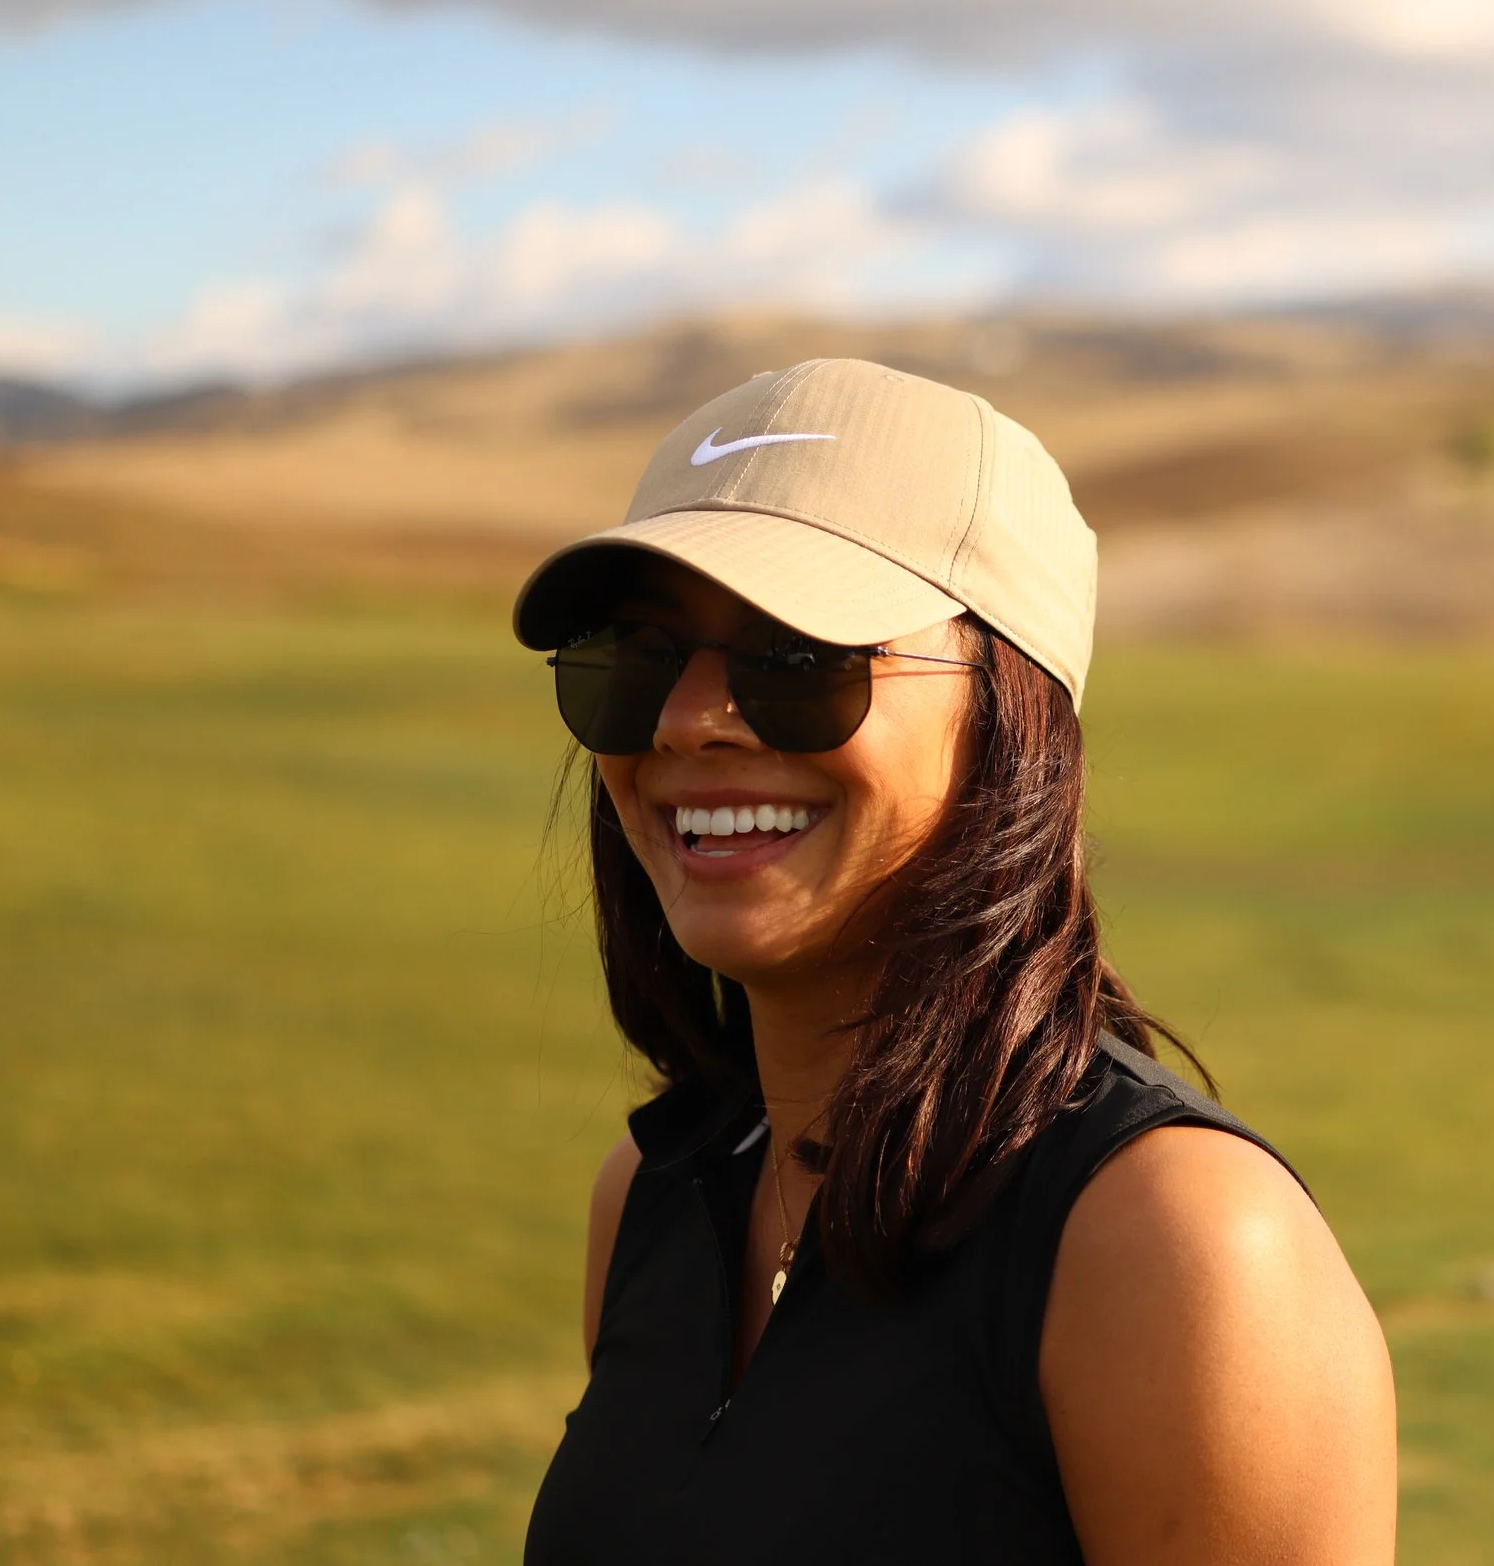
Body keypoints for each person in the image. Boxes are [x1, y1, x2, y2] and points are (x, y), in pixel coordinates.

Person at [513, 359, 1395, 1564]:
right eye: (638, 655)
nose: (686, 718)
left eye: (796, 655)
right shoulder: (654, 1193)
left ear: (1009, 713)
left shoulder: (1176, 1246)